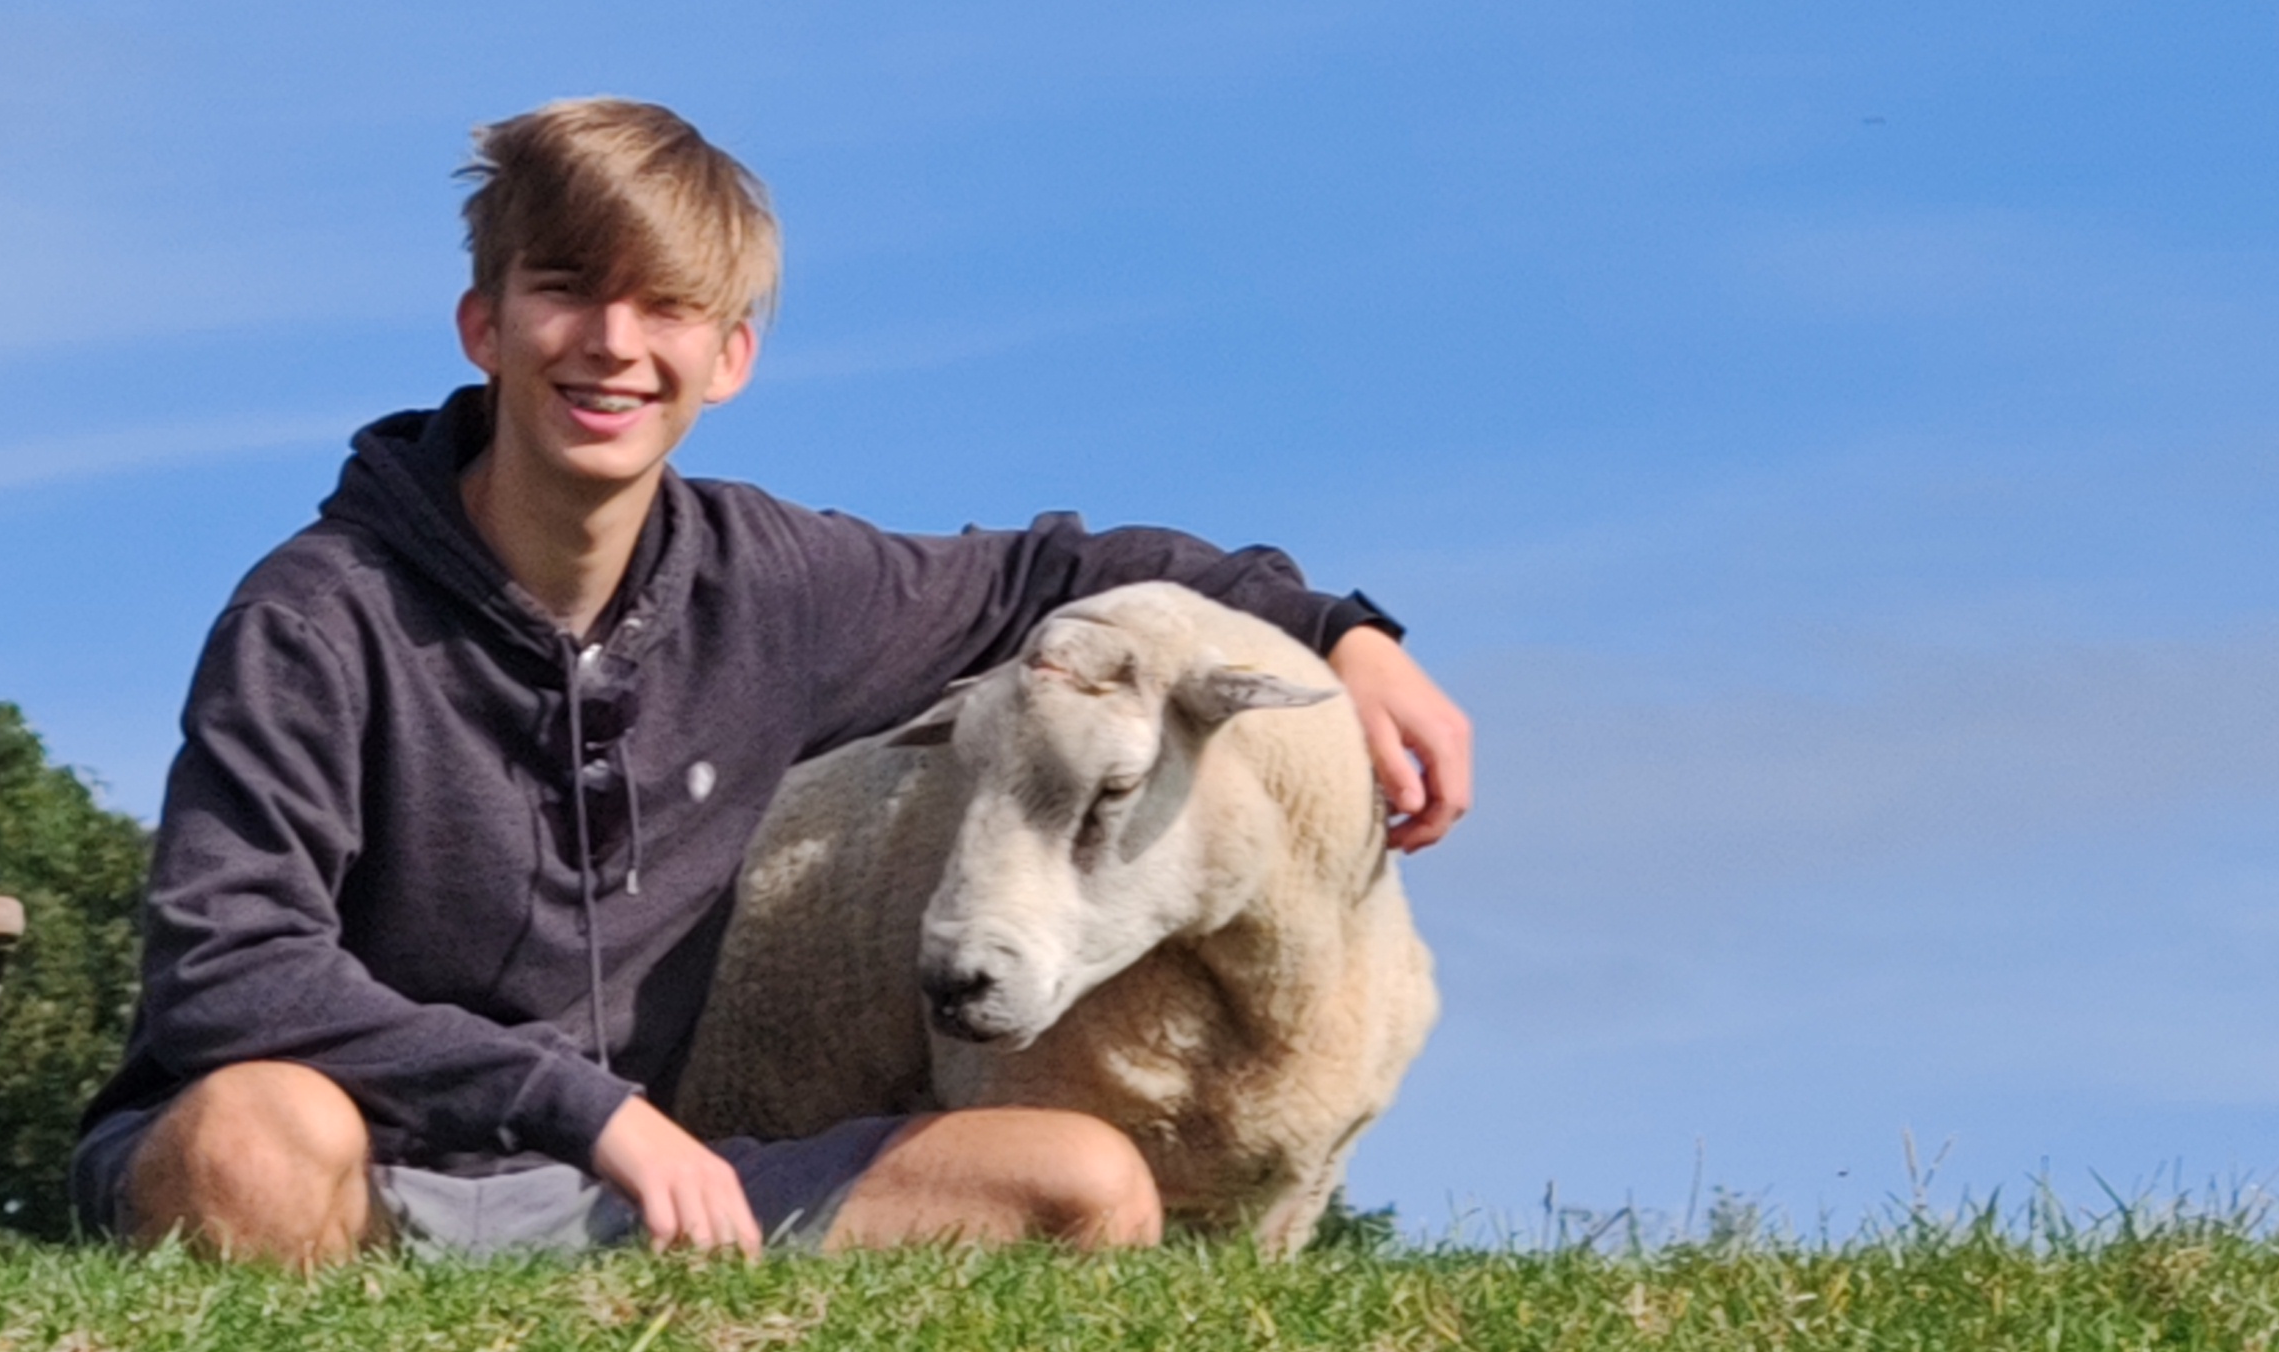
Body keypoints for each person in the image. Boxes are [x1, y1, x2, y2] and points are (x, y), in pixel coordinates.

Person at [72, 98, 1470, 1266]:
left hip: (622, 1194)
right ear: (482, 326)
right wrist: (588, 1108)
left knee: (1084, 1182)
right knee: (256, 1136)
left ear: (728, 356)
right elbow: (231, 973)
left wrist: (1346, 635)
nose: (614, 343)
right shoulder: (315, 615)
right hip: (353, 1163)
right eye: (564, 290)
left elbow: (1059, 575)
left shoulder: (775, 584)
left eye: (668, 306)